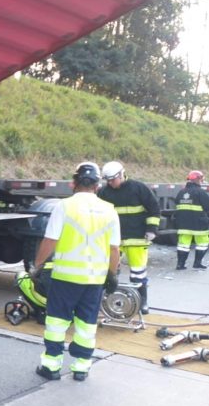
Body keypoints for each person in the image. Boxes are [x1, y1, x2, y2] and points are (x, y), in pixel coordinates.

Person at [32, 162, 120, 382]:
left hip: (66, 278)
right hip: (94, 279)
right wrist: (112, 274)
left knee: (57, 322)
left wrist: (38, 266)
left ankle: (51, 365)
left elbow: (50, 240)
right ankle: (81, 367)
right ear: (98, 185)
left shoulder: (64, 206)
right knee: (86, 324)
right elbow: (114, 248)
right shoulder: (109, 210)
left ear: (73, 183)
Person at [97, 161, 160, 314]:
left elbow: (154, 208)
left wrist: (152, 229)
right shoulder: (104, 192)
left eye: (113, 179)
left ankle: (142, 302)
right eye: (108, 181)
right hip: (114, 240)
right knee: (111, 272)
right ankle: (108, 301)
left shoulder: (139, 188)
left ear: (121, 174)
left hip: (136, 238)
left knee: (138, 273)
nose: (111, 183)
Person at [174, 170, 209, 270]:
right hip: (199, 224)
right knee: (202, 243)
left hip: (183, 224)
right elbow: (207, 207)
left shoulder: (181, 192)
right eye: (201, 179)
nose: (202, 181)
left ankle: (180, 265)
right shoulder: (201, 192)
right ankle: (197, 263)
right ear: (197, 180)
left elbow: (177, 203)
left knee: (183, 245)